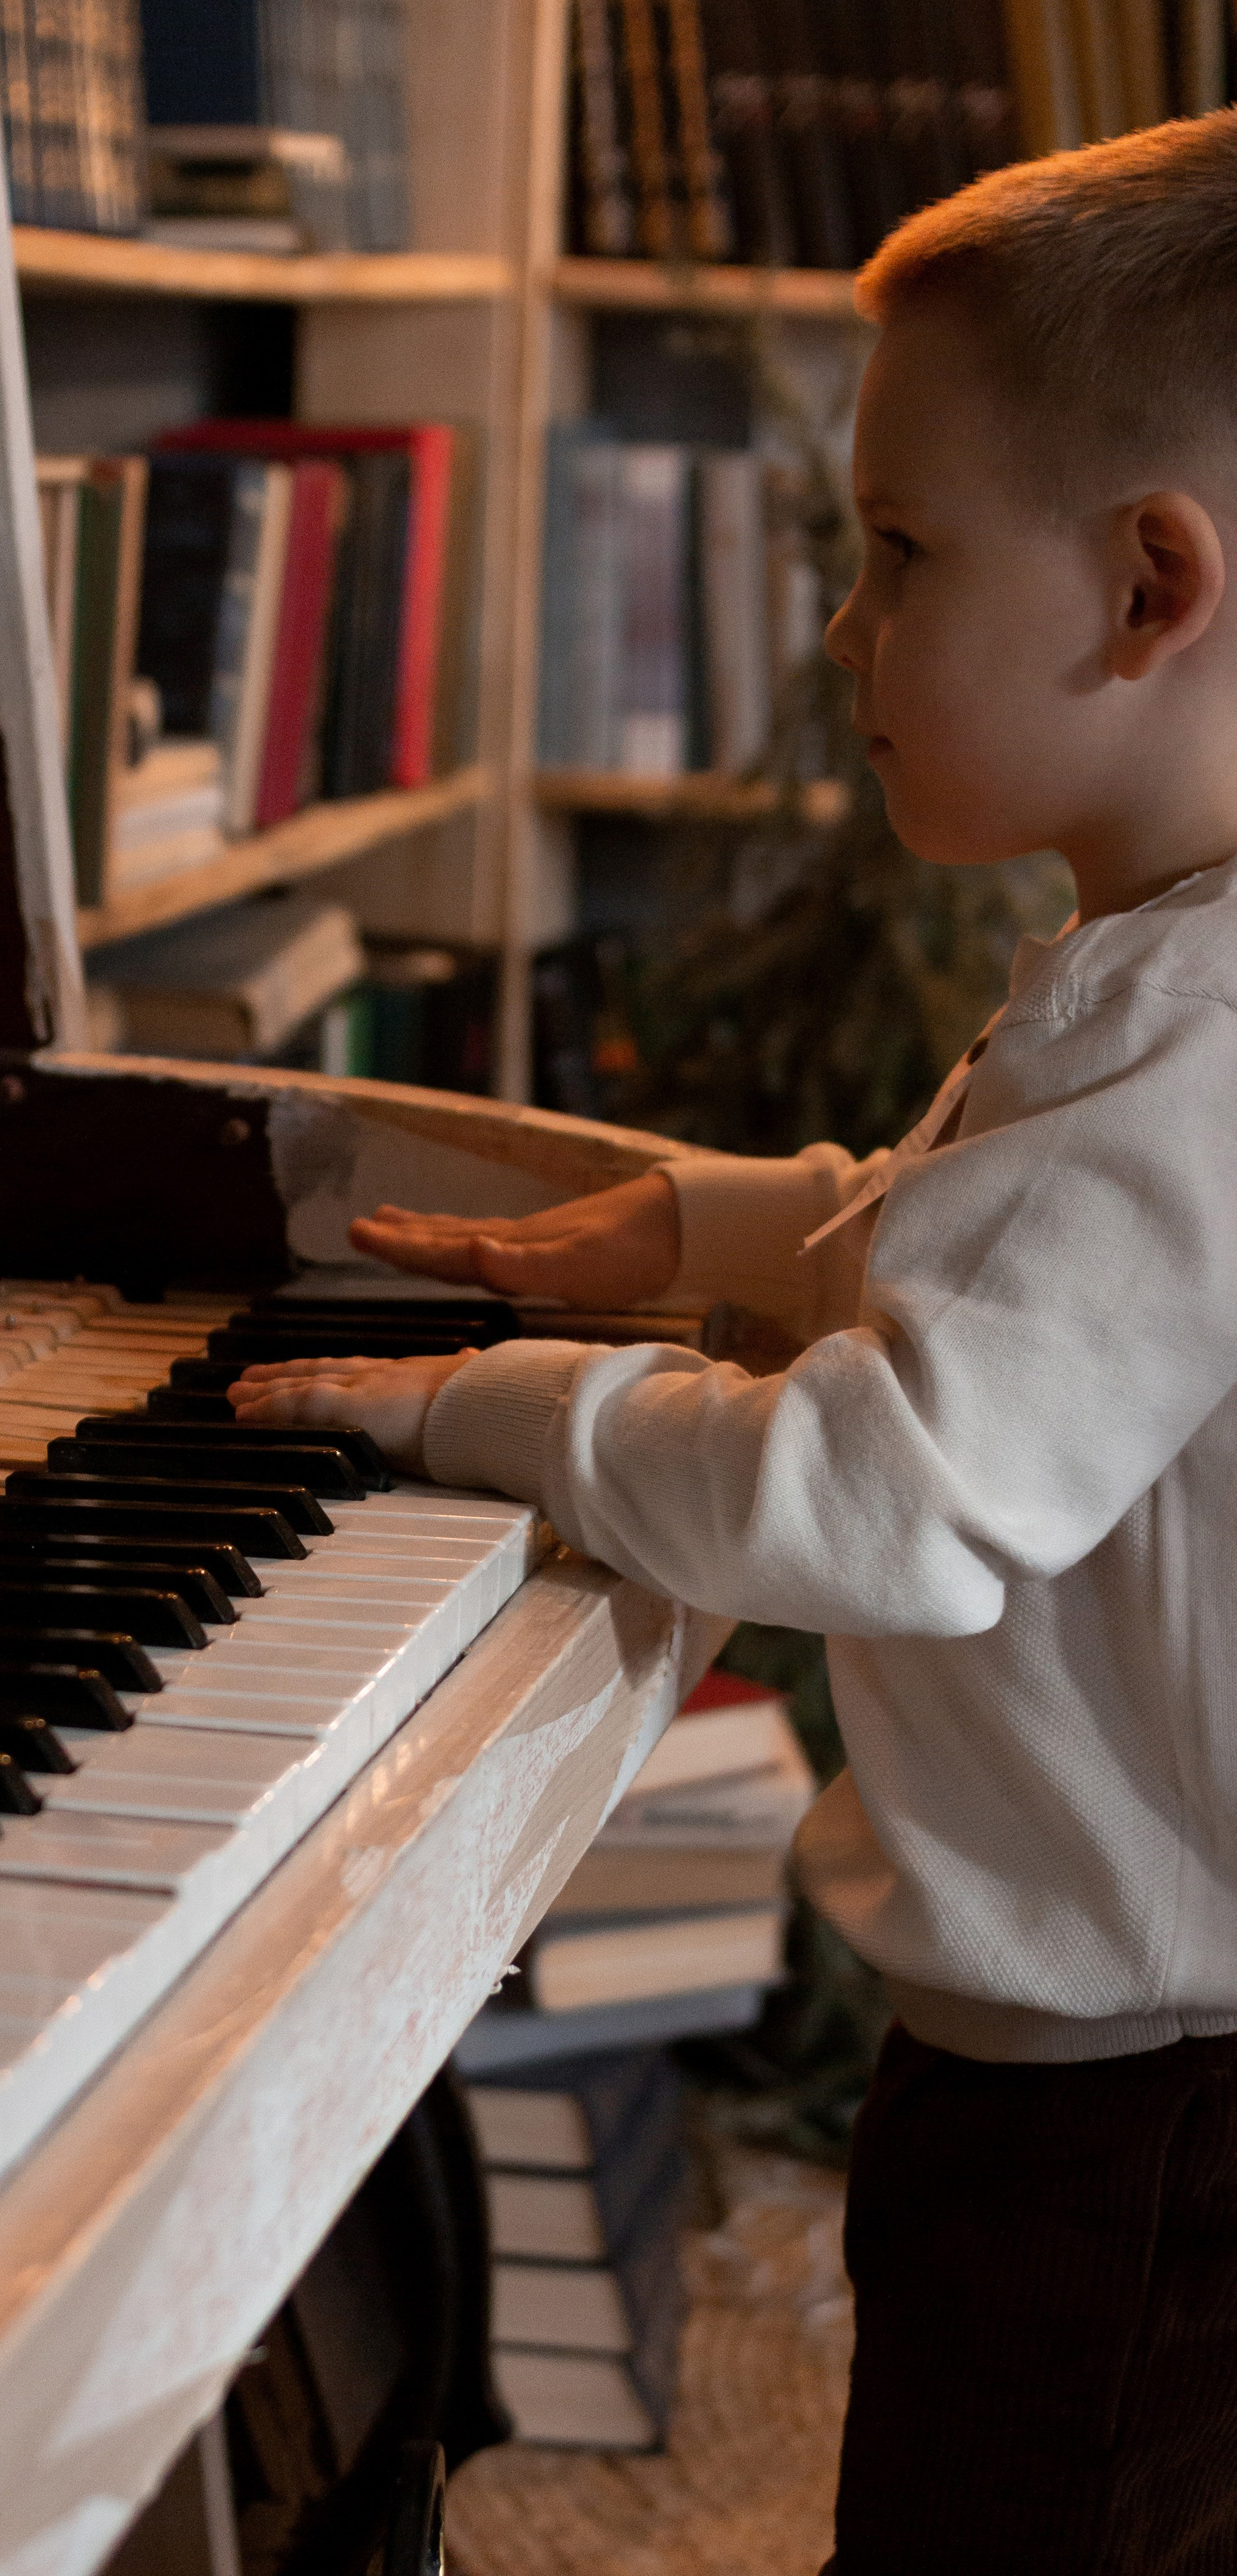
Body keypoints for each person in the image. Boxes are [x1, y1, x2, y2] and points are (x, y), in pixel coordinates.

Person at [231, 114, 1237, 2574]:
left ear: (1145, 589)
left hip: (1145, 2123)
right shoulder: (1174, 994)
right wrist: (715, 1223)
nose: (842, 631)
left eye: (895, 558)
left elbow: (896, 1494)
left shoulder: (1195, 1045)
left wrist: (490, 1418)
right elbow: (1005, 1268)